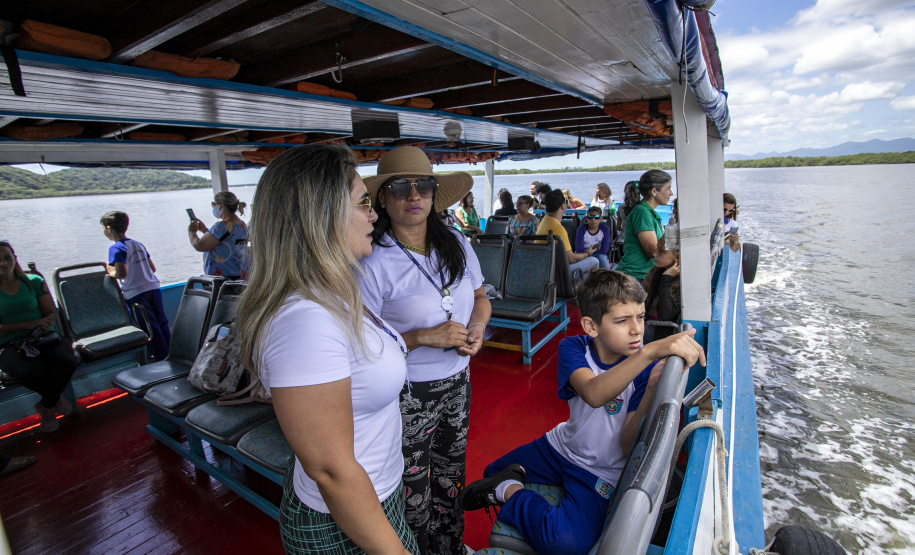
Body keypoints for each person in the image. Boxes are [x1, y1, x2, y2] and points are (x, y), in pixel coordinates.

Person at [235, 145, 418, 555]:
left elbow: (361, 366)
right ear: (322, 217)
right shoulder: (304, 320)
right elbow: (332, 471)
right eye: (363, 203)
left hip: (372, 495)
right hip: (339, 521)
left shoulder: (333, 293)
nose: (374, 215)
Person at [458, 270, 705, 555]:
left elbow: (627, 445)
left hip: (598, 472)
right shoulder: (574, 347)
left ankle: (508, 491)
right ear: (590, 326)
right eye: (623, 321)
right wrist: (648, 353)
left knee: (567, 544)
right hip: (560, 448)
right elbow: (594, 393)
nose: (637, 329)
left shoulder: (643, 371)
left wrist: (650, 388)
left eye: (641, 316)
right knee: (491, 470)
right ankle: (503, 482)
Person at [359, 146, 492, 555]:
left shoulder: (454, 241)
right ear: (383, 198)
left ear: (434, 194)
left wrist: (477, 328)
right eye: (400, 187)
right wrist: (420, 337)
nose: (413, 195)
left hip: (457, 383)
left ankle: (449, 549)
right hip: (407, 394)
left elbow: (480, 297)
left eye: (423, 186)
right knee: (413, 492)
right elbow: (363, 342)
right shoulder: (370, 260)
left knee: (451, 480)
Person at [0, 241, 79, 433]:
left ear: (14, 258)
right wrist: (27, 325)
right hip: (9, 345)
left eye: (7, 258)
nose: (3, 263)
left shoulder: (34, 281)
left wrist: (41, 325)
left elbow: (50, 313)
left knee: (67, 360)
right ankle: (54, 401)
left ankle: (46, 405)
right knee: (30, 371)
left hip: (43, 338)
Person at [100, 211, 171, 361]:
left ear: (109, 228)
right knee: (162, 323)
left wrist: (109, 269)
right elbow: (152, 268)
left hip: (136, 293)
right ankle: (172, 354)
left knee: (149, 327)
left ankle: (161, 359)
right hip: (153, 287)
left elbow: (121, 273)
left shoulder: (116, 248)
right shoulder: (138, 244)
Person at [614, 170, 675, 283]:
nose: (671, 193)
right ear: (654, 191)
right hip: (635, 276)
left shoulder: (648, 212)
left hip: (643, 275)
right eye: (668, 188)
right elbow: (653, 250)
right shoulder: (642, 212)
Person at [535, 189, 599, 280]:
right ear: (562, 205)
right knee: (594, 261)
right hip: (558, 272)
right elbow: (571, 259)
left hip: (545, 269)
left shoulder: (543, 222)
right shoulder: (558, 229)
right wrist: (588, 253)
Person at [188, 191, 249, 280]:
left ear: (222, 206)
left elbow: (199, 245)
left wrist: (192, 231)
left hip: (222, 280)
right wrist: (204, 230)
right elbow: (225, 241)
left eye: (214, 204)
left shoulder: (222, 226)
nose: (214, 207)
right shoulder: (242, 225)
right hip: (239, 276)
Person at [643, 260, 681, 343]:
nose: (655, 254)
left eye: (661, 251)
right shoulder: (656, 273)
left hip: (661, 330)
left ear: (676, 258)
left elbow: (666, 316)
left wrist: (666, 279)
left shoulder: (681, 282)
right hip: (651, 323)